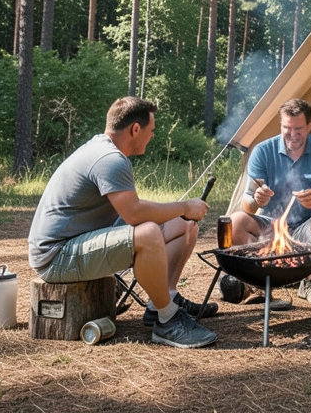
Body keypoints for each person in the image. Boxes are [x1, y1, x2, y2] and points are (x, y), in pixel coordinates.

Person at [27, 96, 218, 349]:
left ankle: (162, 302)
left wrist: (182, 213)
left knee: (184, 224)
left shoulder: (105, 149)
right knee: (148, 233)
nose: (152, 136)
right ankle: (168, 321)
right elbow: (135, 215)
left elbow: (131, 206)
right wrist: (184, 206)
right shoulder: (110, 159)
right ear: (135, 129)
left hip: (78, 239)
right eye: (151, 131)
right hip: (55, 256)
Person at [227, 98, 311, 304]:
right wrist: (256, 200)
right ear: (280, 125)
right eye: (286, 128)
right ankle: (259, 283)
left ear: (309, 126)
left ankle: (309, 281)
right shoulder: (263, 151)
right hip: (270, 226)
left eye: (298, 129)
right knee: (235, 221)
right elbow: (247, 204)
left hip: (305, 229)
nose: (292, 135)